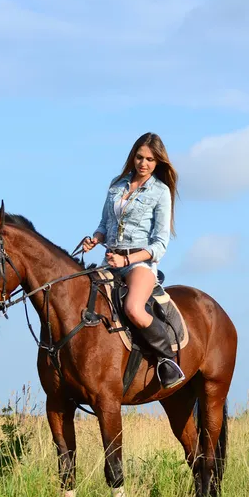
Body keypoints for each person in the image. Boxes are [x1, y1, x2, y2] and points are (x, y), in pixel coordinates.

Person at [83, 132, 185, 389]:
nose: (144, 163)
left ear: (158, 162)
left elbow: (159, 245)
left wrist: (126, 258)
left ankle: (167, 360)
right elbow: (104, 225)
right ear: (133, 157)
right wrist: (94, 239)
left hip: (140, 264)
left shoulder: (160, 192)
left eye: (150, 159)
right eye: (140, 157)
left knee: (133, 310)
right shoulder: (116, 185)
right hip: (111, 260)